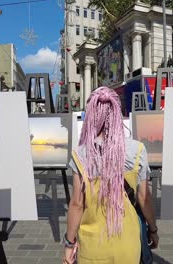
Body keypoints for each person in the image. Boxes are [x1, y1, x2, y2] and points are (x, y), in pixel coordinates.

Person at [63, 87, 159, 264]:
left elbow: (77, 204)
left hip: (92, 246)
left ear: (91, 115)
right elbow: (144, 198)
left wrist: (69, 243)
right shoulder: (137, 150)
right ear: (117, 112)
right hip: (128, 243)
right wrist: (153, 229)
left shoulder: (81, 154)